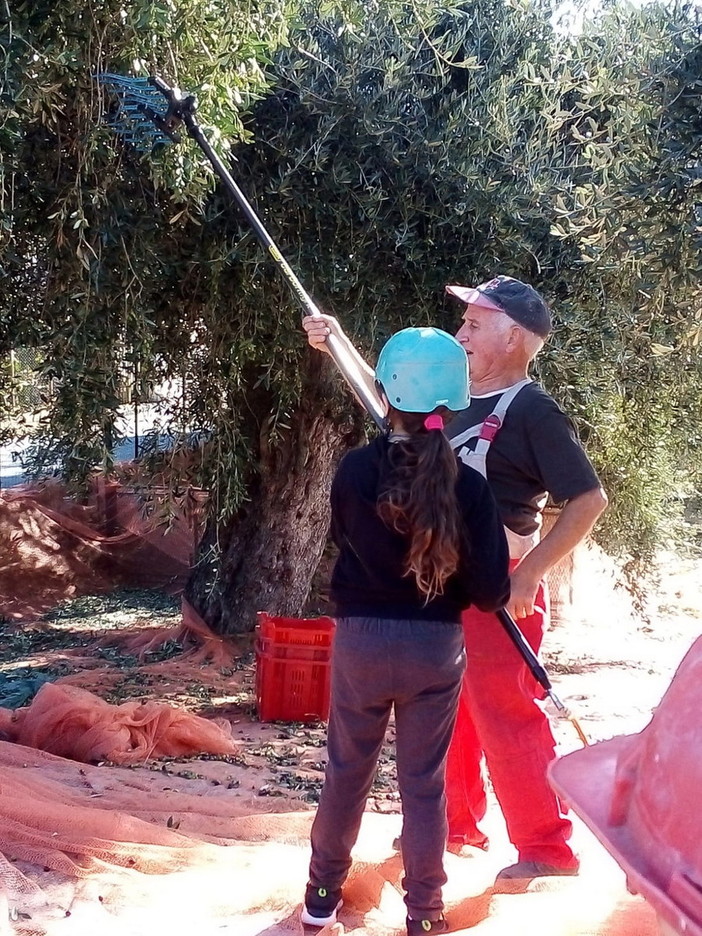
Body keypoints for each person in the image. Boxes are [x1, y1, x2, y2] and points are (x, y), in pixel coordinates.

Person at [302, 275, 608, 884]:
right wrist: (338, 346)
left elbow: (588, 500)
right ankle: (453, 825)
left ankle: (547, 850)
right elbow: (393, 399)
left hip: (502, 583)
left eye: (473, 323)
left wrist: (531, 576)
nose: (460, 333)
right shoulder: (452, 395)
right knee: (450, 713)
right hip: (444, 585)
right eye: (462, 323)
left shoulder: (532, 411)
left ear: (513, 335)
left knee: (504, 712)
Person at [302, 327, 510, 936]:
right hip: (435, 648)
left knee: (347, 773)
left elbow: (346, 543)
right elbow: (491, 591)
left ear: (386, 393)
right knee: (424, 785)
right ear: (452, 403)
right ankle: (425, 913)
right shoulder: (468, 487)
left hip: (362, 640)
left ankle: (320, 902)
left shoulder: (354, 471)